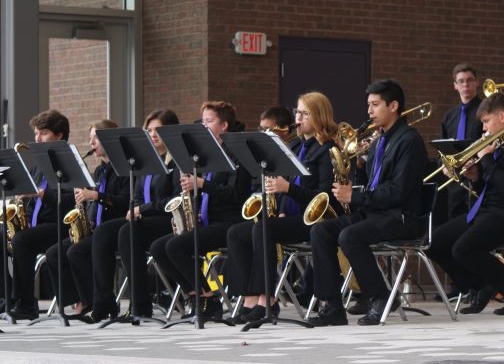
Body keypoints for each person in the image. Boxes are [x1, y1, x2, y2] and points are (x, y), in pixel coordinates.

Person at [307, 79, 427, 326]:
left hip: (402, 217)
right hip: (377, 213)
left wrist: (355, 196)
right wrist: (360, 166)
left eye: (375, 105)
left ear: (393, 106)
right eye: (368, 105)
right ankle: (331, 306)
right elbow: (372, 184)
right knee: (320, 230)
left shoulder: (409, 141)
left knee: (350, 236)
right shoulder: (380, 141)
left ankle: (380, 297)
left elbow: (398, 192)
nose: (369, 111)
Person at [226, 93, 341, 324]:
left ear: (318, 116)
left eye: (303, 113)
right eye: (297, 112)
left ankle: (266, 299)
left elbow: (325, 197)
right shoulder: (295, 145)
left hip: (313, 221)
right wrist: (278, 202)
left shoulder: (326, 150)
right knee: (236, 233)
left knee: (263, 229)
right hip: (290, 216)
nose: (297, 117)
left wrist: (288, 189)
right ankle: (248, 297)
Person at [427, 93, 504, 316]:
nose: (483, 128)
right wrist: (474, 177)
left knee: (463, 248)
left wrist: (487, 158)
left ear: (501, 117)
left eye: (486, 121)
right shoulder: (498, 146)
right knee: (435, 243)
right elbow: (490, 189)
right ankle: (481, 286)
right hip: (487, 211)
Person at [150, 101, 252, 320]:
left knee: (176, 247)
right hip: (207, 220)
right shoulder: (204, 154)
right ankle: (195, 295)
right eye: (202, 121)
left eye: (209, 121)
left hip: (228, 222)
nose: (203, 126)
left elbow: (236, 195)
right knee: (159, 248)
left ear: (224, 125)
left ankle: (209, 298)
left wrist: (202, 185)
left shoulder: (236, 154)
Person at [88, 109, 181, 322]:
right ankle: (103, 303)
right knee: (103, 232)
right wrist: (137, 209)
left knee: (128, 231)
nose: (153, 135)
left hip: (168, 218)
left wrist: (142, 210)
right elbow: (138, 195)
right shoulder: (146, 161)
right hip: (146, 217)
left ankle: (140, 305)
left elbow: (175, 200)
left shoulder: (176, 162)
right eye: (149, 130)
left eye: (158, 130)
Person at [44, 119, 129, 318]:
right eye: (90, 139)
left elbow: (125, 202)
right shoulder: (99, 171)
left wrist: (96, 196)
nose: (91, 144)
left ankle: (98, 303)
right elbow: (94, 203)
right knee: (55, 252)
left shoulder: (124, 170)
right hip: (96, 227)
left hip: (114, 228)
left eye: (95, 138)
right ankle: (79, 300)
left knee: (76, 252)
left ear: (110, 139)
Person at [8, 110, 75, 321]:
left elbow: (72, 199)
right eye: (36, 133)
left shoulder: (69, 161)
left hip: (59, 224)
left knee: (22, 240)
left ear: (60, 135)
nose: (37, 139)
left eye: (43, 133)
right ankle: (8, 299)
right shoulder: (37, 165)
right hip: (37, 225)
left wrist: (42, 194)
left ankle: (27, 305)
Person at [441, 63, 483, 219]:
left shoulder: (485, 110)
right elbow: (443, 148)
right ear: (455, 85)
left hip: (478, 178)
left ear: (477, 82)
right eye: (461, 81)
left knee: (476, 222)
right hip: (455, 181)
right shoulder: (449, 116)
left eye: (470, 80)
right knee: (454, 223)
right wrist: (445, 165)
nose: (466, 84)